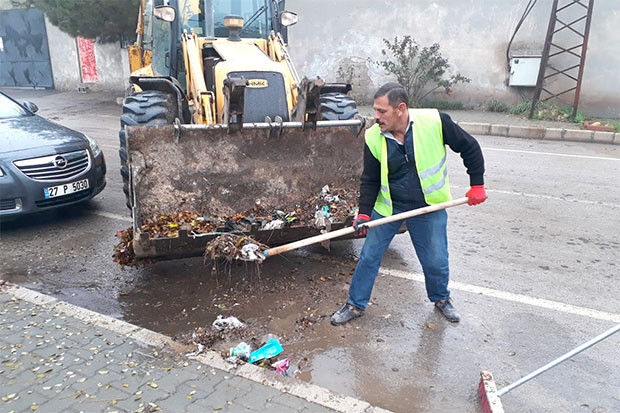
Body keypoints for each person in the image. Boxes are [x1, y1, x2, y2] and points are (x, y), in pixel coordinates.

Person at [330, 82, 487, 326]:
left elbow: (470, 147)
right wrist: (363, 214)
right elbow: (370, 179)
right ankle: (355, 304)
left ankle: (441, 299)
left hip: (428, 206)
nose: (376, 116)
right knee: (369, 257)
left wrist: (477, 184)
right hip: (389, 207)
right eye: (375, 110)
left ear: (400, 108)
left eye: (382, 111)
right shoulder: (373, 136)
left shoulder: (435, 122)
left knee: (436, 259)